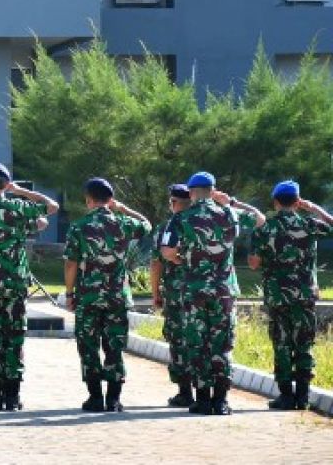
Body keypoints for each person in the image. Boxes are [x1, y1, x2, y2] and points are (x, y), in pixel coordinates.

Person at [159, 170, 264, 415]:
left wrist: (184, 258)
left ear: (192, 193)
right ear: (213, 190)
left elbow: (166, 251)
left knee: (197, 343)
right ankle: (221, 401)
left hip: (194, 291)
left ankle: (203, 400)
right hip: (224, 291)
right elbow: (260, 219)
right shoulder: (230, 214)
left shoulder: (182, 217)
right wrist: (232, 202)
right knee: (222, 344)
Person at [0, 161, 60, 411]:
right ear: (6, 184)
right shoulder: (19, 208)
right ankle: (13, 395)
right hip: (15, 285)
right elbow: (52, 207)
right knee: (14, 337)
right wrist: (21, 191)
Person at [63, 177, 152, 412]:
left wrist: (70, 293)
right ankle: (113, 399)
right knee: (114, 346)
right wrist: (122, 208)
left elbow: (71, 264)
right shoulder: (123, 223)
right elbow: (147, 224)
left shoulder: (80, 226)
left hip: (88, 296)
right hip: (117, 296)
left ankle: (94, 398)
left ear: (88, 199)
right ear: (110, 200)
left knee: (88, 345)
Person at [247, 179, 332, 411]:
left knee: (282, 343)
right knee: (304, 343)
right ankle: (303, 397)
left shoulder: (265, 229)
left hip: (277, 296)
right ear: (297, 202)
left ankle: (286, 396)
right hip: (304, 295)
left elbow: (253, 263)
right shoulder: (309, 224)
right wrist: (313, 208)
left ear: (275, 202)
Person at [150, 183, 195, 406]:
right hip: (203, 293)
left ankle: (185, 391)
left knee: (178, 340)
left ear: (174, 203)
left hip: (177, 295)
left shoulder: (168, 227)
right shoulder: (203, 222)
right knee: (201, 339)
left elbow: (156, 263)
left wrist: (155, 292)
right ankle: (205, 389)